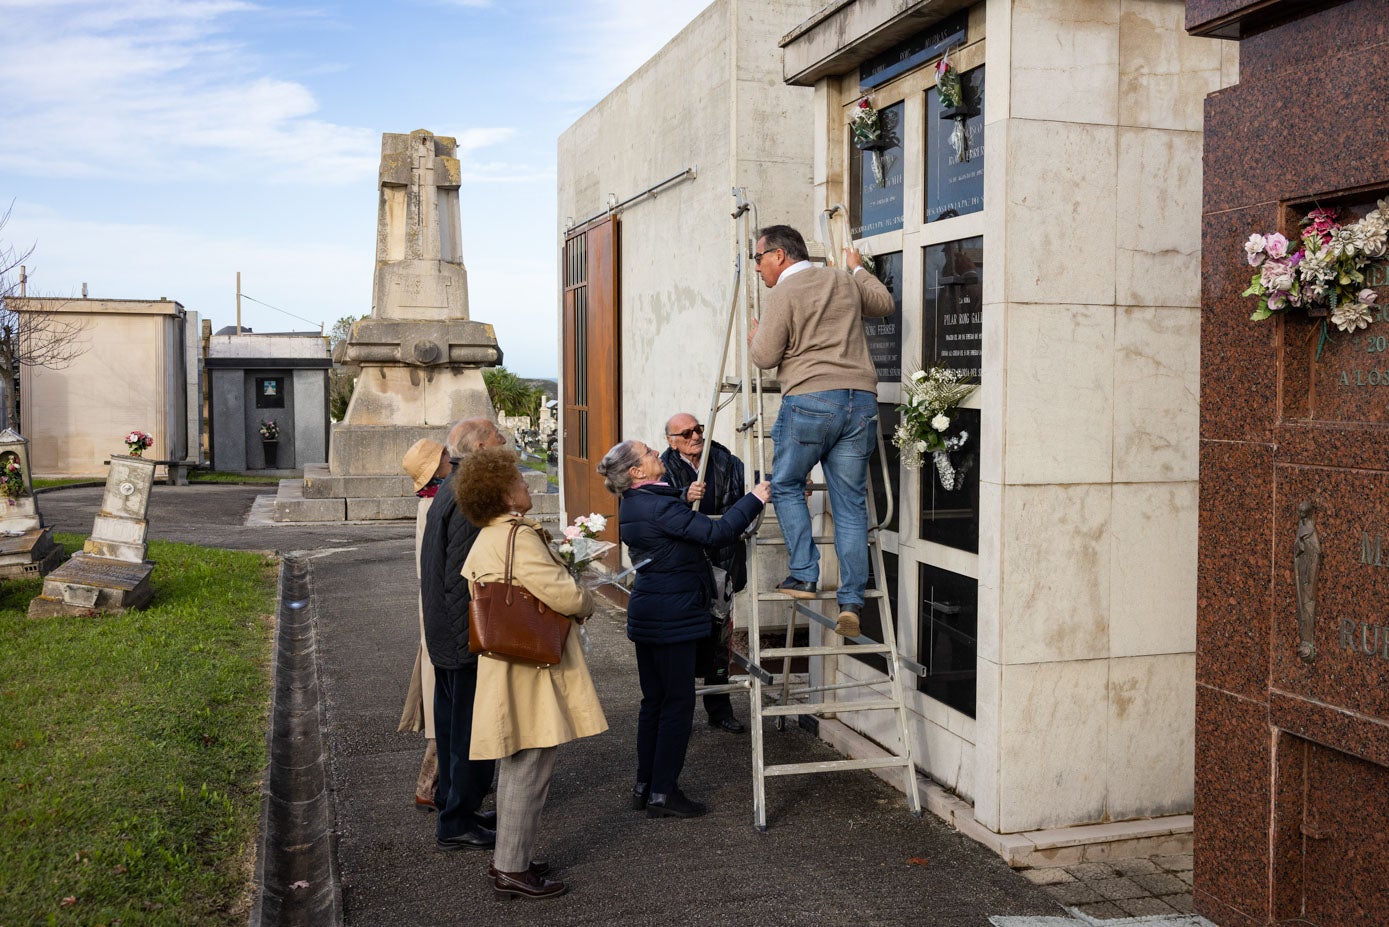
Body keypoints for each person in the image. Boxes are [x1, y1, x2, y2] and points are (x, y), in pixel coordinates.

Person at [458, 447, 607, 900]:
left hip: (509, 663)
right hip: (530, 667)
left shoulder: (487, 535)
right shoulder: (517, 537)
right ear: (505, 493)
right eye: (520, 481)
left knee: (516, 762)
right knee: (530, 764)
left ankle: (510, 856)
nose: (527, 485)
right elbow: (562, 594)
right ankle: (511, 868)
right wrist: (587, 599)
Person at [598, 439, 770, 818]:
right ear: (636, 472)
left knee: (654, 703)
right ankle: (663, 792)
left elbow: (664, 506)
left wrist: (681, 492)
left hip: (651, 613)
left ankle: (645, 785)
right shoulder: (659, 506)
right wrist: (755, 497)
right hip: (672, 617)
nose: (657, 454)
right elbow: (717, 532)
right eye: (649, 453)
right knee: (677, 705)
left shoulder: (637, 502)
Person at [748, 223, 894, 638]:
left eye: (759, 259)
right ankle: (851, 601)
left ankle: (804, 576)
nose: (758, 269)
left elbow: (764, 357)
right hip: (860, 402)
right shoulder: (842, 281)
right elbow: (883, 303)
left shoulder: (784, 294)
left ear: (779, 255)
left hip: (811, 399)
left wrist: (755, 336)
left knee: (787, 484)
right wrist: (857, 269)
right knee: (850, 505)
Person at [420, 418, 508, 852]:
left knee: (455, 727)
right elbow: (473, 570)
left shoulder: (452, 486)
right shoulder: (468, 492)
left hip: (446, 629)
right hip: (463, 633)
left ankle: (456, 807)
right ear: (478, 447)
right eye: (498, 439)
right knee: (472, 733)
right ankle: (456, 821)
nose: (506, 443)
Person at [659, 412, 747, 734]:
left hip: (722, 563)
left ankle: (720, 710)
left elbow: (748, 492)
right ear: (671, 441)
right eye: (686, 433)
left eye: (698, 429)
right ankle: (677, 714)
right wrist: (683, 497)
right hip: (684, 569)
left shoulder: (725, 459)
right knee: (685, 641)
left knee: (720, 641)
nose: (695, 436)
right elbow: (656, 510)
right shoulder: (663, 468)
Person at [398, 437, 452, 812]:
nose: (452, 458)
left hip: (434, 611)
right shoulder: (436, 506)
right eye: (445, 455)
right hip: (442, 614)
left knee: (442, 704)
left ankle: (436, 787)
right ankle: (430, 788)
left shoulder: (432, 502)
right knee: (443, 709)